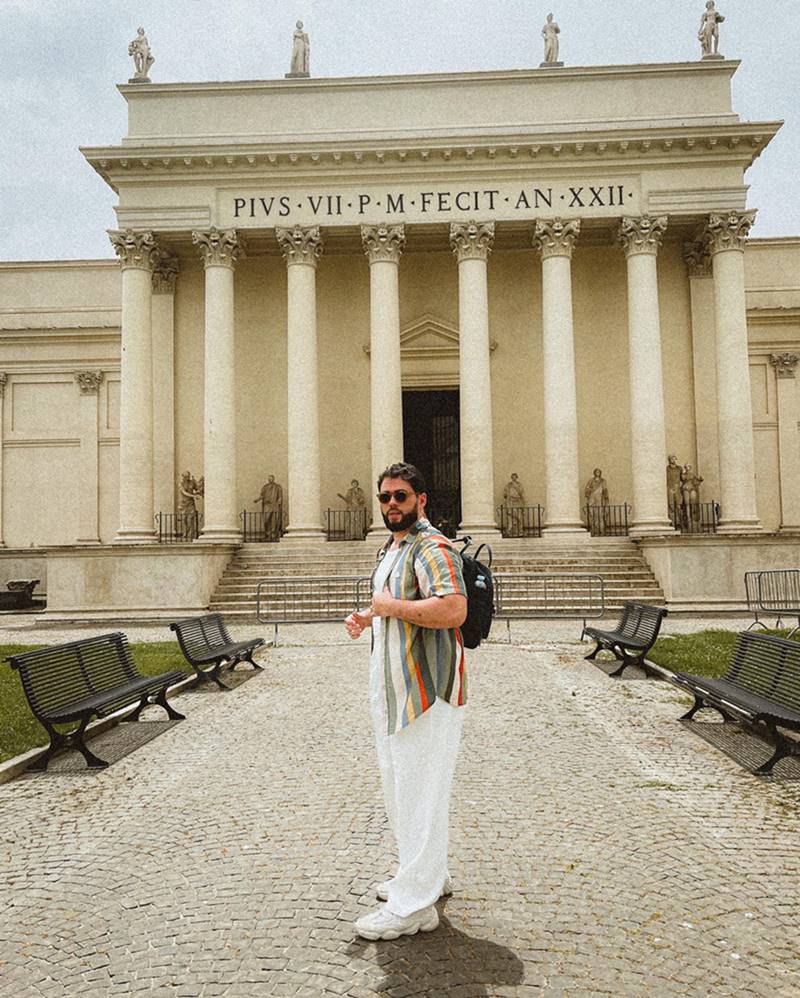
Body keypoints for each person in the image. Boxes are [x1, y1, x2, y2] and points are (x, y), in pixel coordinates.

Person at [345, 462, 467, 941]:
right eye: (386, 497)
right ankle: (426, 876)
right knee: (405, 789)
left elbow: (453, 607)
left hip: (426, 690)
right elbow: (393, 606)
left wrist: (389, 608)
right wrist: (367, 617)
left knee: (418, 790)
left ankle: (414, 906)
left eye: (400, 496)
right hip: (397, 688)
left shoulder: (431, 545)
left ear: (421, 500)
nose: (391, 504)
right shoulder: (394, 548)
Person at [254, 475, 284, 541]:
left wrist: (279, 501)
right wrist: (257, 500)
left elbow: (280, 496)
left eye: (271, 479)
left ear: (274, 479)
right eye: (269, 479)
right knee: (266, 520)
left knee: (274, 521)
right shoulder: (265, 487)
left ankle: (273, 535)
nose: (270, 480)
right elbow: (262, 495)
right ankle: (267, 534)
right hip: (267, 505)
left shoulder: (277, 487)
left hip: (274, 505)